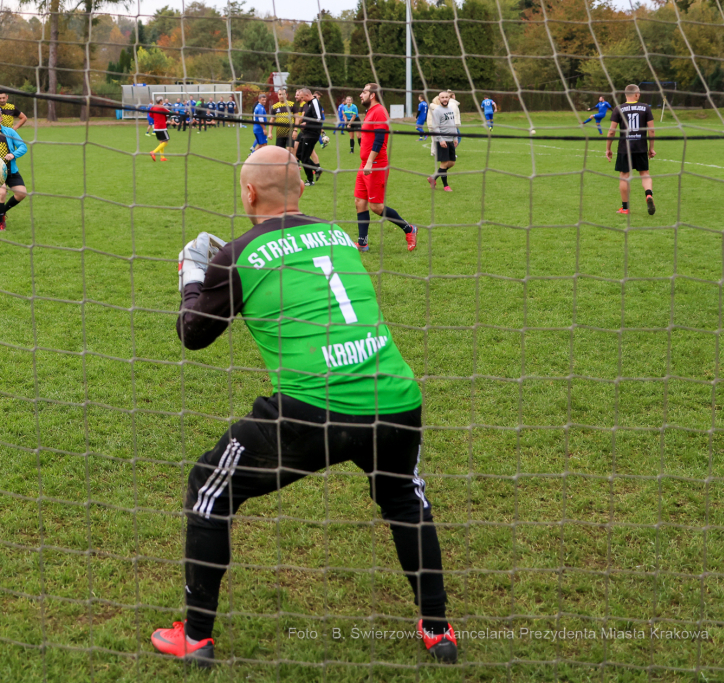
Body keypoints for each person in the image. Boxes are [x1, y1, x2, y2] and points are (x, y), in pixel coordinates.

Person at [150, 145, 456, 667]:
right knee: (404, 499)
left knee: (208, 486)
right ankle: (438, 629)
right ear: (303, 187)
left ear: (248, 192)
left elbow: (193, 334)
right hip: (395, 394)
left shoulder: (239, 253)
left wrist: (191, 276)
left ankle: (195, 636)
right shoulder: (339, 236)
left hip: (313, 410)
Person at [356, 83, 419, 253]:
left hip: (375, 165)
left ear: (373, 95)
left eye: (364, 92)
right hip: (365, 164)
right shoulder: (369, 111)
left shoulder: (380, 111)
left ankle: (409, 229)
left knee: (376, 207)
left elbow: (380, 139)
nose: (361, 95)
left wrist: (369, 161)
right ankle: (362, 243)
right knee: (359, 202)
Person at [606, 84, 655, 216]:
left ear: (625, 95)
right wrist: (651, 148)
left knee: (624, 176)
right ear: (637, 95)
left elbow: (611, 132)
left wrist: (608, 149)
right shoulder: (645, 108)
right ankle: (649, 195)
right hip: (641, 147)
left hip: (624, 148)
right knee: (645, 174)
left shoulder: (618, 109)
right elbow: (651, 130)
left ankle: (625, 208)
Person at [427, 91, 458, 193]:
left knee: (452, 163)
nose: (445, 99)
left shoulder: (450, 109)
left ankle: (433, 178)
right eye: (442, 98)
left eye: (446, 97)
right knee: (444, 164)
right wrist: (440, 140)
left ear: (449, 98)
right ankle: (446, 186)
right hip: (442, 141)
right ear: (439, 99)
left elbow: (452, 124)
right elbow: (435, 127)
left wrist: (456, 137)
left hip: (450, 140)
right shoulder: (437, 111)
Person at [294, 88, 323, 186]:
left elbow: (319, 118)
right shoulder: (310, 104)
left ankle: (310, 180)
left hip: (312, 134)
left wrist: (306, 122)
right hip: (306, 133)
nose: (302, 100)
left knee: (305, 157)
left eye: (302, 97)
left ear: (307, 95)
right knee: (299, 154)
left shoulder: (314, 102)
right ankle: (316, 170)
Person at [268, 88, 296, 155]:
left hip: (290, 133)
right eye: (280, 94)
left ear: (286, 95)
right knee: (279, 154)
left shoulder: (292, 105)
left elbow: (297, 119)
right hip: (280, 134)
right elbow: (271, 120)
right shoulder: (274, 107)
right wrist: (270, 133)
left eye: (283, 94)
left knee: (289, 151)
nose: (281, 96)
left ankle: (291, 165)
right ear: (277, 95)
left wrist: (295, 130)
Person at [149, 96, 172, 162]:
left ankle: (162, 157)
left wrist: (157, 117)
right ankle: (153, 152)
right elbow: (169, 112)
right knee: (166, 142)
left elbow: (151, 115)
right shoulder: (161, 107)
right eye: (162, 101)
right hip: (162, 127)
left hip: (156, 127)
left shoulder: (153, 107)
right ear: (161, 101)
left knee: (161, 142)